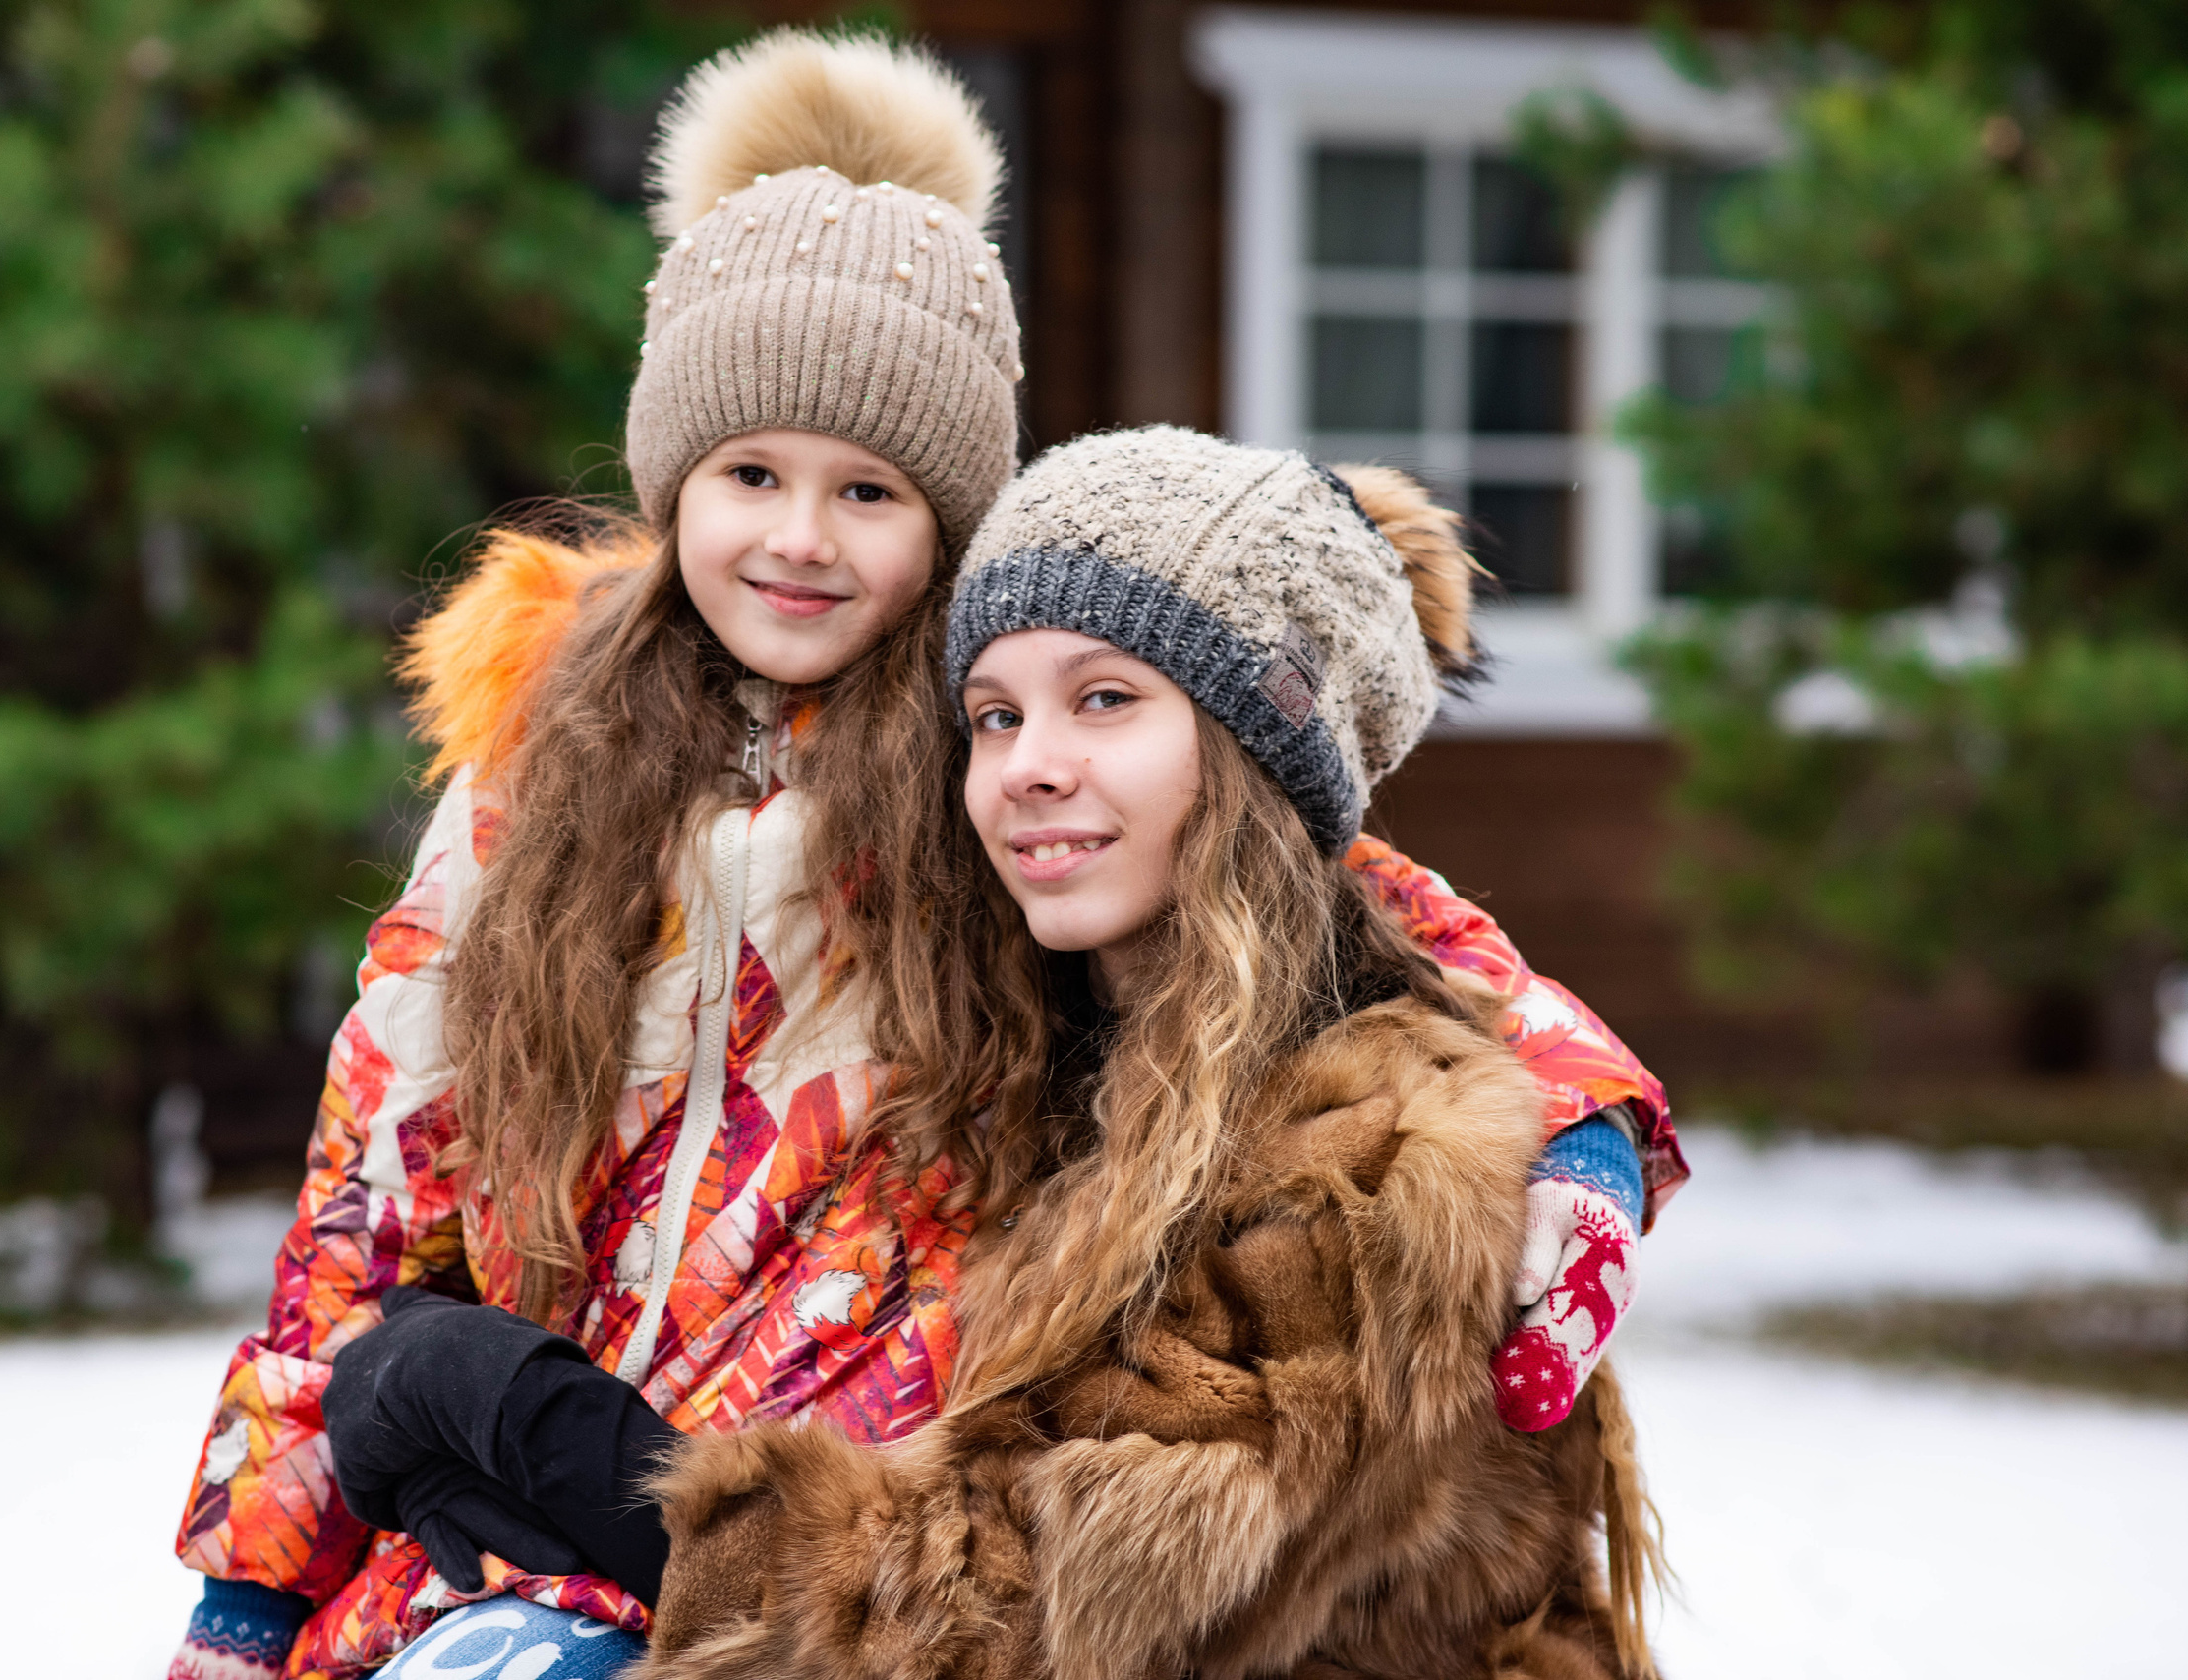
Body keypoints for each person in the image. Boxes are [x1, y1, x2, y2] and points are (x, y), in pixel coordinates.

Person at [165, 31, 1683, 1680]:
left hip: (820, 1521)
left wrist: (1584, 1114)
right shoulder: (533, 787)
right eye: (749, 473)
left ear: (949, 527)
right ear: (672, 482)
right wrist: (254, 1588)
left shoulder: (977, 776)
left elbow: (1331, 886)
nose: (802, 536)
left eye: (870, 490)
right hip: (509, 1520)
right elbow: (367, 1200)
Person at [638, 426, 1665, 1679]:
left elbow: (966, 1632)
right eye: (996, 716)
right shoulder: (1038, 1063)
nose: (1028, 768)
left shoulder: (1376, 1153)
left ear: (1253, 757)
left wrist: (579, 1465)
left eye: (1105, 699)